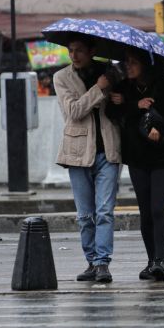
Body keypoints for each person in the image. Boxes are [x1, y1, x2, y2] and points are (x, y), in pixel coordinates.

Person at [108, 48, 164, 281]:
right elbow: (112, 113)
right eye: (126, 62)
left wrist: (158, 130)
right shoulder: (123, 88)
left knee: (157, 209)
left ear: (146, 64)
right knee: (145, 213)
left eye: (133, 62)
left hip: (163, 157)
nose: (128, 66)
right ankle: (151, 261)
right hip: (137, 158)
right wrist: (134, 104)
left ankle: (160, 260)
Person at [53, 34, 121, 284]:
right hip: (78, 151)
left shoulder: (111, 72)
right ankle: (91, 261)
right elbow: (73, 111)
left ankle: (103, 263)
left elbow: (118, 110)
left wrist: (117, 97)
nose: (74, 55)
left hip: (108, 150)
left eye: (80, 50)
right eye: (71, 51)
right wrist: (99, 89)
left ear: (92, 50)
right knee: (85, 214)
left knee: (105, 211)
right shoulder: (61, 77)